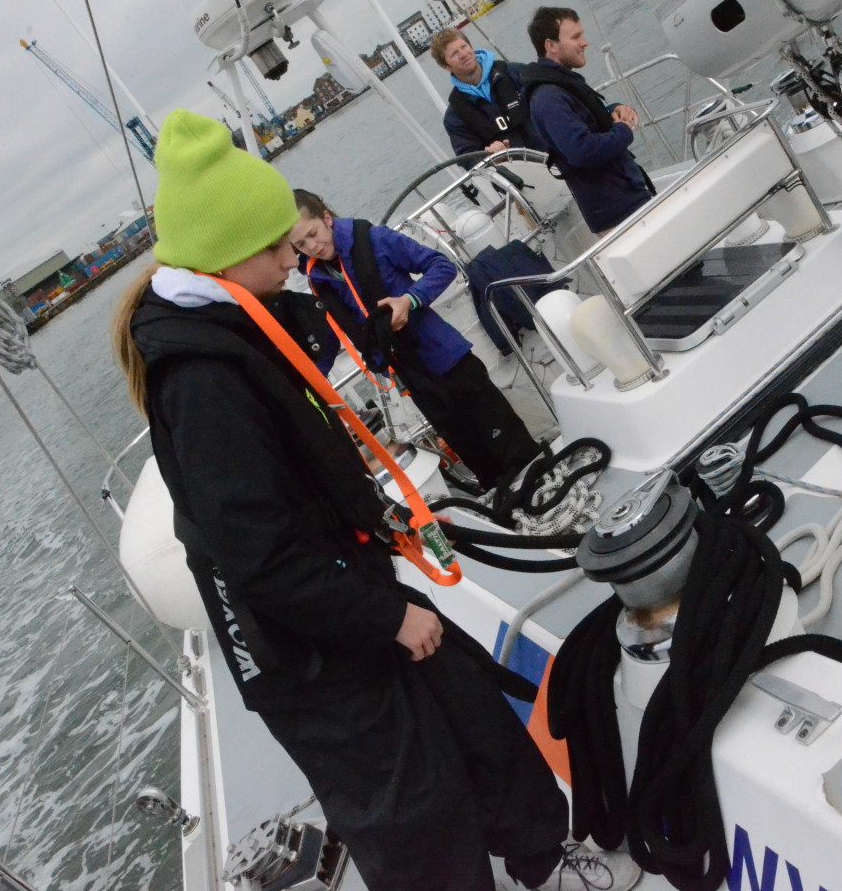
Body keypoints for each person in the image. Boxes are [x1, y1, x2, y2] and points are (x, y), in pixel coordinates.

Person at [112, 109, 640, 891]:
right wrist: (387, 617)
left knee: (473, 713)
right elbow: (259, 555)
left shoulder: (240, 326)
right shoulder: (201, 384)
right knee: (410, 811)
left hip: (345, 582)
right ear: (227, 256)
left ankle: (544, 857)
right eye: (276, 247)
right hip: (303, 647)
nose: (292, 259)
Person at [289, 188, 542, 492]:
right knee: (475, 457)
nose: (313, 247)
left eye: (313, 234)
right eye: (301, 245)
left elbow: (441, 266)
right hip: (410, 377)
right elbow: (331, 334)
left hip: (447, 358)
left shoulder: (376, 239)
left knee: (506, 440)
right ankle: (506, 501)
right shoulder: (319, 279)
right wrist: (304, 382)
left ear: (326, 218)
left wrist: (409, 300)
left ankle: (541, 482)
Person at [520, 7, 653, 234]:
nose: (584, 43)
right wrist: (623, 130)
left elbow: (583, 120)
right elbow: (582, 151)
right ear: (551, 46)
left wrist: (612, 111)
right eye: (575, 37)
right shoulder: (549, 98)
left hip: (627, 197)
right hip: (617, 213)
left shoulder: (560, 84)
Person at [431, 28, 547, 157]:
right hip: (515, 168)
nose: (463, 54)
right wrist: (491, 157)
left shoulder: (514, 72)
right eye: (454, 54)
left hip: (553, 155)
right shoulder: (454, 117)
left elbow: (551, 96)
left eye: (463, 47)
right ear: (446, 66)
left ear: (471, 46)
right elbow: (469, 157)